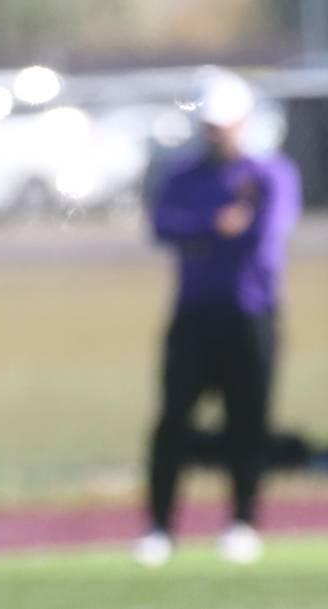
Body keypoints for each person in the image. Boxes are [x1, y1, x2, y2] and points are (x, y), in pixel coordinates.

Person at [135, 68, 302, 567]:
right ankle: (160, 527)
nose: (215, 132)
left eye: (222, 123)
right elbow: (164, 225)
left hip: (252, 316)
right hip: (193, 317)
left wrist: (207, 232)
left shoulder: (270, 174)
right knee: (173, 423)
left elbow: (263, 234)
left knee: (247, 422)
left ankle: (243, 522)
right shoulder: (185, 175)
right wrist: (215, 224)